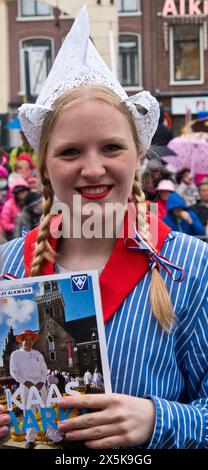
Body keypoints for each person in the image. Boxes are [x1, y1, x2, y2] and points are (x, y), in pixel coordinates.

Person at [0, 6, 208, 449]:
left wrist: (157, 419)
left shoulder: (190, 267)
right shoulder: (6, 267)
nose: (92, 169)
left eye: (111, 147)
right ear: (43, 167)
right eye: (70, 151)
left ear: (137, 155)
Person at [9, 330, 63, 448]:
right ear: (22, 341)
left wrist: (41, 381)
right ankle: (30, 439)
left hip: (40, 384)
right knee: (29, 412)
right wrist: (25, 381)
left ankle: (54, 436)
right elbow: (13, 371)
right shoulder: (16, 354)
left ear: (33, 342)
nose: (28, 342)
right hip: (26, 385)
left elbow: (44, 370)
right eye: (25, 340)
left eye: (30, 340)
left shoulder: (38, 354)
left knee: (46, 410)